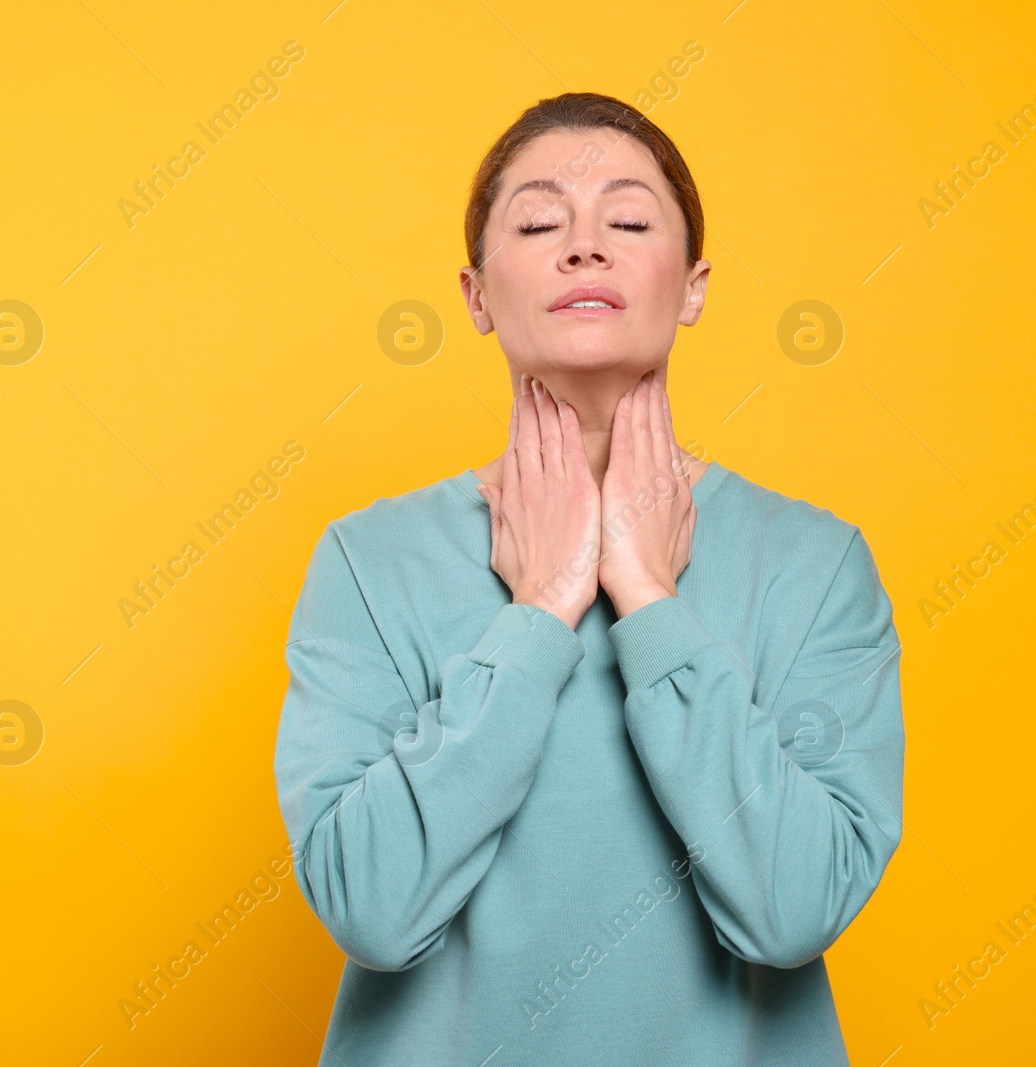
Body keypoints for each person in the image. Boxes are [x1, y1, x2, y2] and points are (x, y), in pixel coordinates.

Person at [273, 91, 904, 1065]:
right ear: (477, 296)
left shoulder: (816, 563)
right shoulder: (368, 559)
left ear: (692, 286)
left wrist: (649, 600)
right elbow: (372, 906)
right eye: (537, 222)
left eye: (628, 220)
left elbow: (792, 909)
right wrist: (539, 613)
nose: (583, 247)